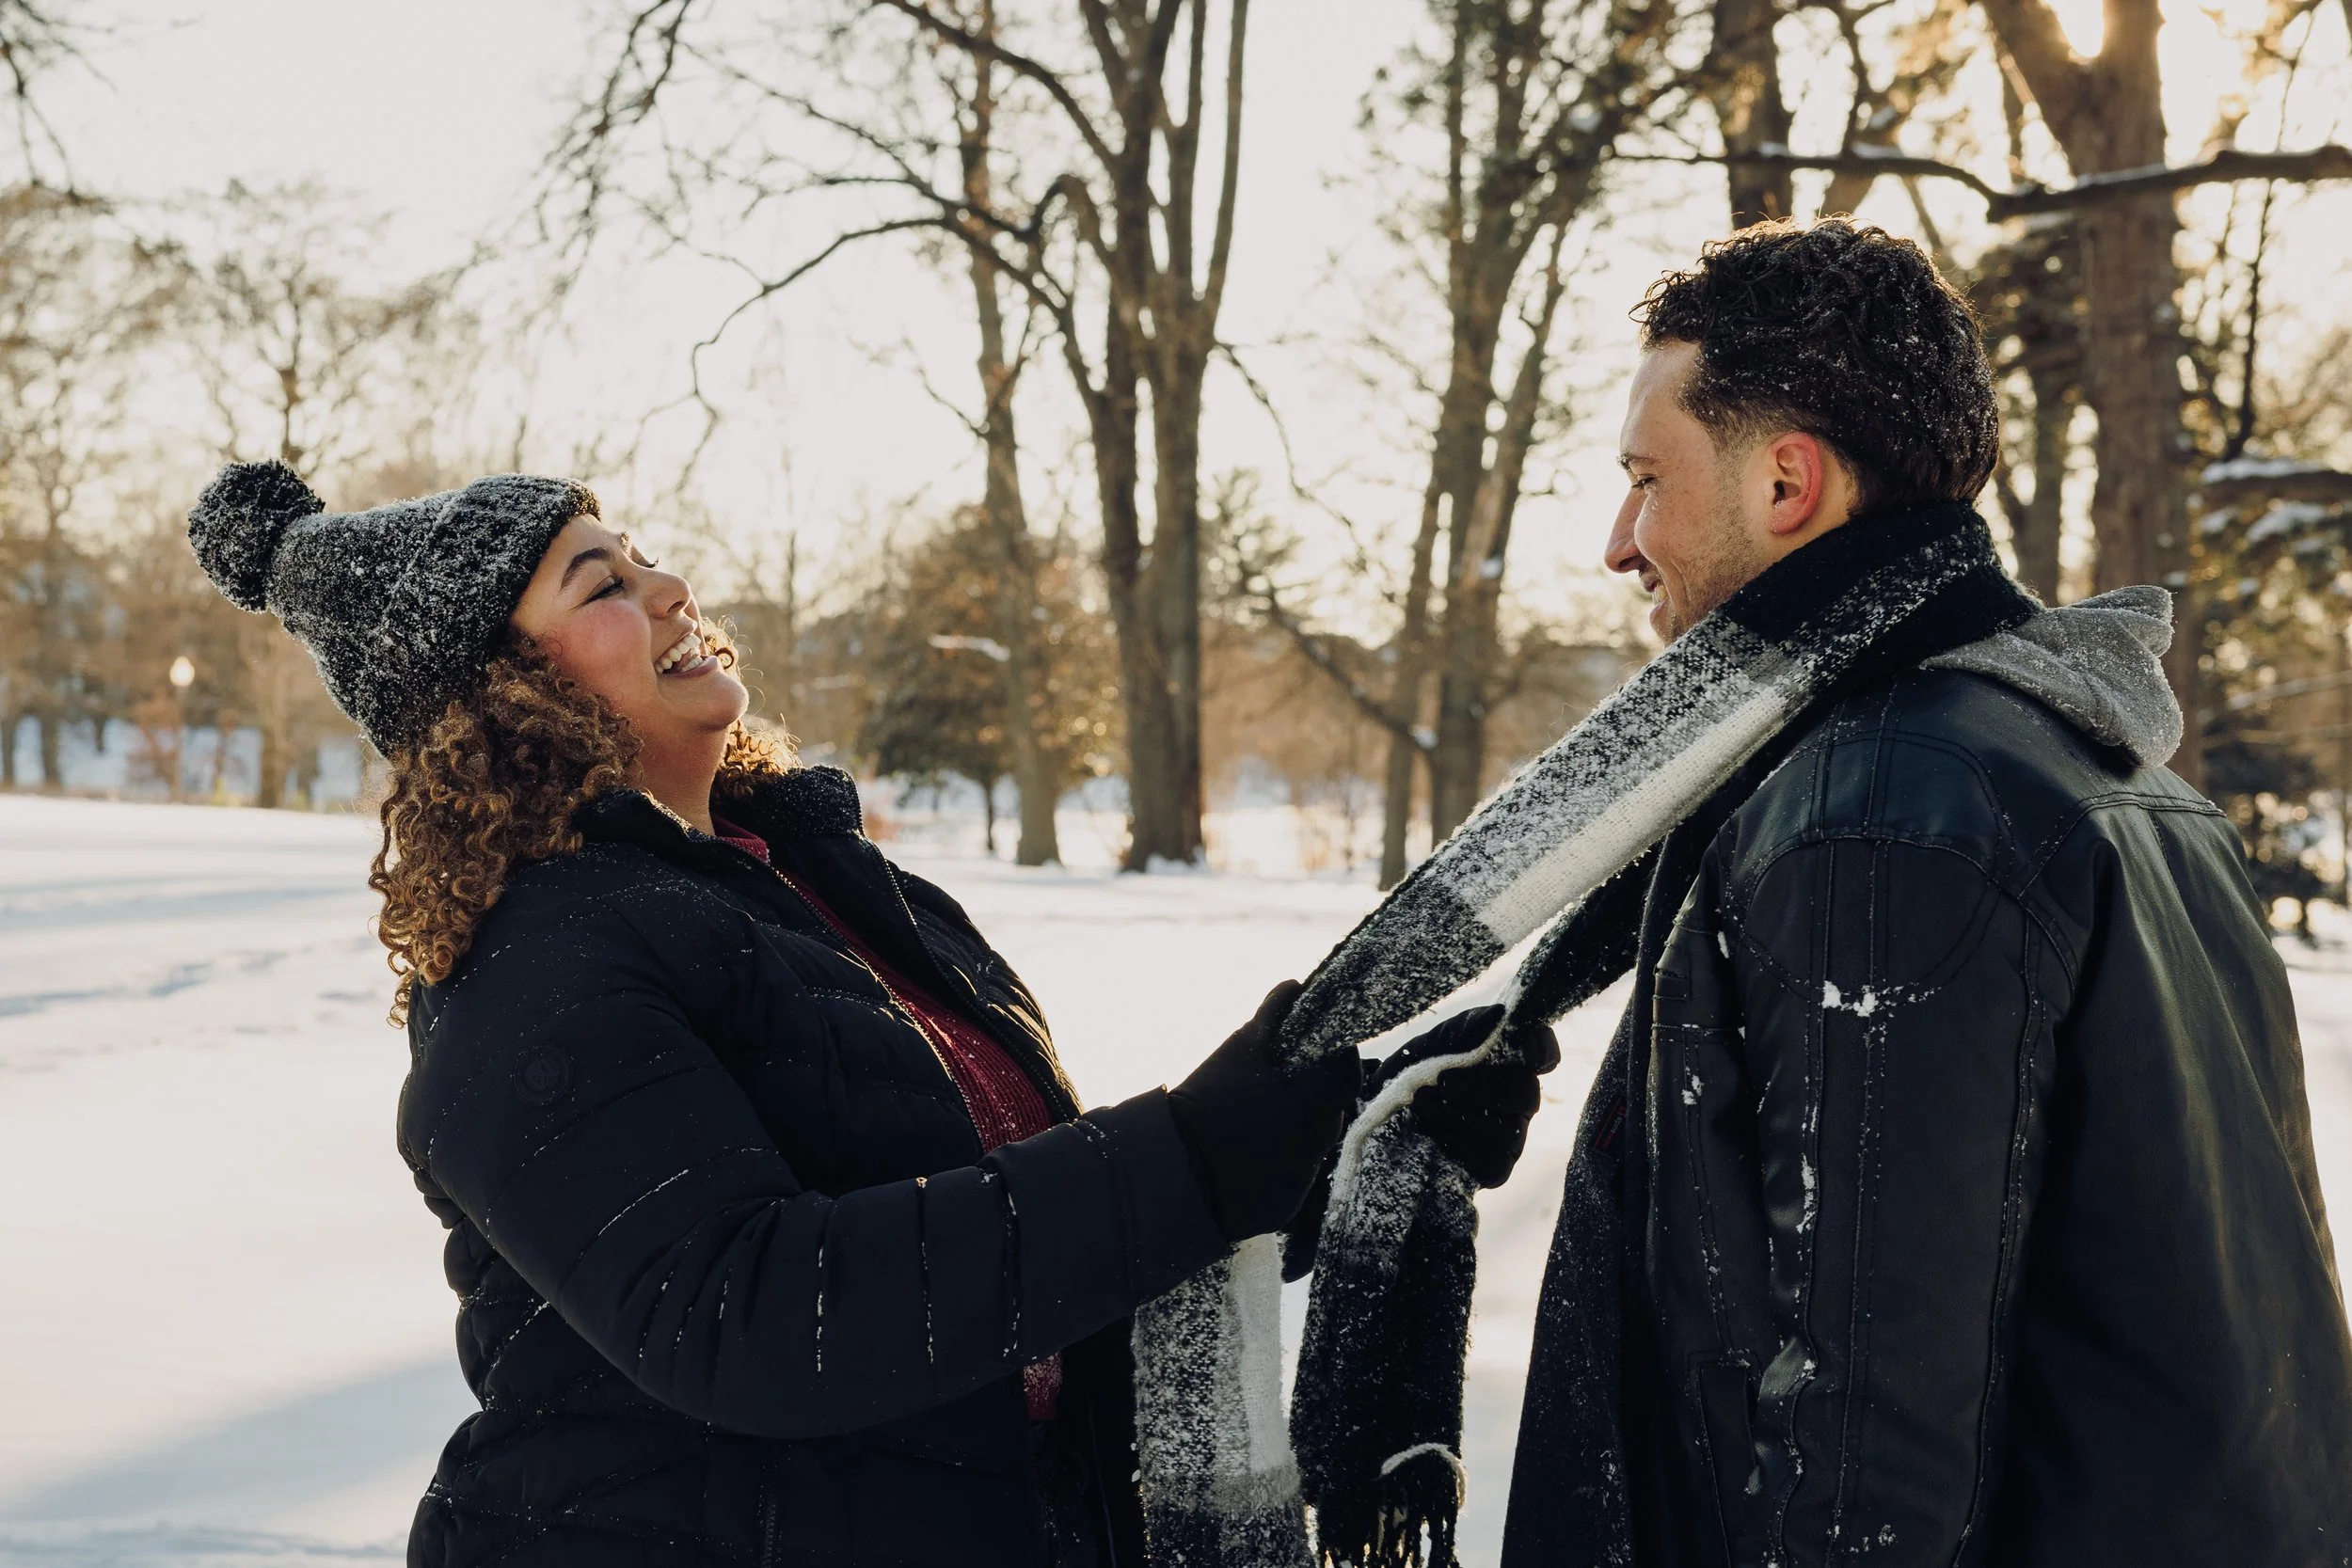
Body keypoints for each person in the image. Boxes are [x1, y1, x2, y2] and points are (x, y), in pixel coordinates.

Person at [183, 463, 1545, 1568]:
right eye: (602, 582)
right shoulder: (534, 959)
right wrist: (1193, 1154)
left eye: (643, 556)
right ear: (504, 692)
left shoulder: (823, 880)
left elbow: (1002, 1237)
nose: (669, 588)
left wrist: (1327, 1149)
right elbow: (749, 1315)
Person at [1499, 219, 2352, 1566]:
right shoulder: (2110, 772)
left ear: (1787, 482)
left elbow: (1863, 1472)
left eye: (1647, 480)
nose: (1621, 541)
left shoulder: (1881, 811)